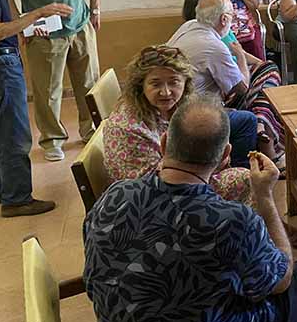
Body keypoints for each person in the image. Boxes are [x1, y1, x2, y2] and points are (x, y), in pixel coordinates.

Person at [84, 97, 297, 322]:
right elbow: (282, 280)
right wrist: (264, 196)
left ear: (163, 144)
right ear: (226, 154)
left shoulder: (113, 195)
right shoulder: (231, 221)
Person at [4, 0, 102, 162]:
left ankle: (89, 129)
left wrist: (95, 10)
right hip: (44, 34)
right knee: (48, 91)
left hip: (80, 26)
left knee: (89, 84)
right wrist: (21, 23)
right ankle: (52, 141)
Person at [103, 45, 254, 204]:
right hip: (155, 198)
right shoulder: (128, 127)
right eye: (156, 84)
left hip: (176, 178)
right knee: (246, 180)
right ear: (140, 86)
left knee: (240, 128)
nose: (166, 92)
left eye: (174, 82)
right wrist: (212, 164)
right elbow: (156, 183)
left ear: (185, 83)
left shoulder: (175, 107)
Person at [0, 0, 70, 217]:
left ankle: (4, 191)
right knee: (14, 133)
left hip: (6, 57)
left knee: (2, 131)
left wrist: (27, 27)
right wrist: (38, 13)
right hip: (2, 64)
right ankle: (17, 199)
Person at [167, 0, 286, 164]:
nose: (233, 21)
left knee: (266, 72)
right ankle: (243, 167)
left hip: (186, 100)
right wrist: (241, 57)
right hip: (199, 111)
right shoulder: (213, 45)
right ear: (224, 19)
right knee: (250, 114)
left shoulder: (189, 26)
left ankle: (262, 128)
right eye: (232, 16)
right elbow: (242, 88)